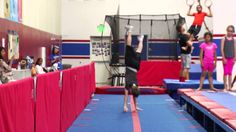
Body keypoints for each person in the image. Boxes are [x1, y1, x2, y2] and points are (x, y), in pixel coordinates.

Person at [124, 25, 143, 112]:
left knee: (138, 51)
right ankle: (130, 30)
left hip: (136, 66)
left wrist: (135, 107)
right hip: (130, 64)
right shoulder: (129, 85)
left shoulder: (136, 85)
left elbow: (134, 95)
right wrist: (125, 106)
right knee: (128, 46)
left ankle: (141, 39)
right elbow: (126, 96)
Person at [221, 25, 236, 91]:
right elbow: (222, 49)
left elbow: (235, 49)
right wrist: (223, 58)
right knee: (225, 72)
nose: (230, 32)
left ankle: (230, 87)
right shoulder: (224, 38)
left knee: (230, 72)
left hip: (232, 58)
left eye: (231, 31)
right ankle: (225, 87)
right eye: (229, 31)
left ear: (233, 32)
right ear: (227, 31)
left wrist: (235, 57)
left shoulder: (234, 39)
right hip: (226, 58)